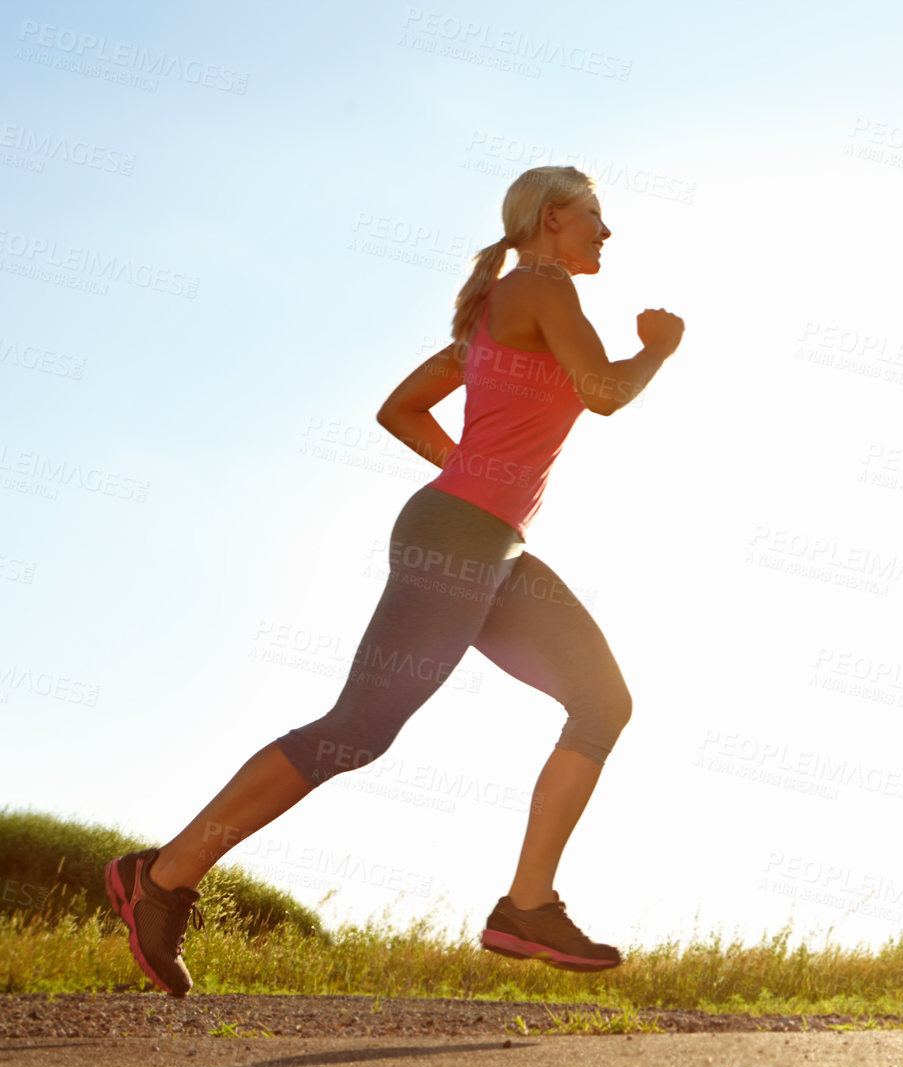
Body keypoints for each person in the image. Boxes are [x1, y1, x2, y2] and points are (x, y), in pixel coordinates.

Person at [103, 165, 684, 998]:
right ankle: (162, 875)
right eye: (596, 216)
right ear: (553, 218)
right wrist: (657, 350)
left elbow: (399, 409)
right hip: (460, 536)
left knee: (602, 702)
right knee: (360, 727)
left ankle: (527, 908)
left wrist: (473, 477)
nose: (607, 232)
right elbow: (603, 392)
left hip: (488, 540)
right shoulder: (545, 287)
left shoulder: (492, 312)